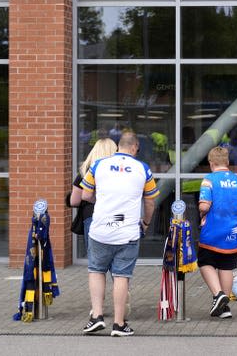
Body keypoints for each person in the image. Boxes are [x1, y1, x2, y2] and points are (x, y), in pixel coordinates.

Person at [81, 131, 159, 337]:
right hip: (128, 232)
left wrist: (103, 202)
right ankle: (118, 323)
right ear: (135, 147)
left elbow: (85, 194)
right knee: (121, 276)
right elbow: (150, 201)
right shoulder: (143, 169)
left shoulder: (98, 165)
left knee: (96, 270)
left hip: (99, 230)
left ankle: (96, 316)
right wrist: (146, 223)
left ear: (118, 146)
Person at [198, 146, 237, 319]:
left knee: (205, 262)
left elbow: (205, 205)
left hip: (212, 232)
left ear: (211, 163)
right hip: (233, 232)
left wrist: (201, 212)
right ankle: (224, 308)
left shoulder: (209, 180)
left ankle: (218, 294)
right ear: (227, 162)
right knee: (227, 266)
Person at [69, 138, 118, 249]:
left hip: (91, 216)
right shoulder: (118, 172)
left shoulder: (84, 172)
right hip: (114, 216)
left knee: (95, 260)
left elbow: (74, 201)